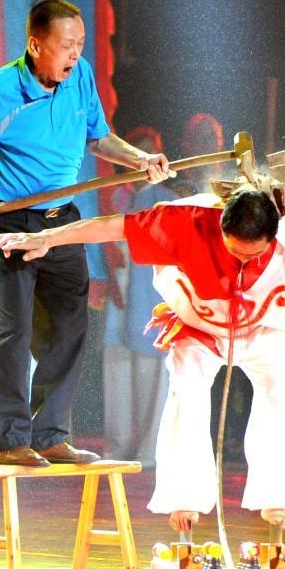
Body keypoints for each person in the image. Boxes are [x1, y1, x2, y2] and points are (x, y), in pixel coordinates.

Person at [0, 187, 285, 531]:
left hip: (264, 329)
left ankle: (277, 497)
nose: (240, 264)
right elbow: (112, 226)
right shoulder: (187, 220)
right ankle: (184, 498)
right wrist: (48, 239)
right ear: (220, 227)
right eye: (233, 252)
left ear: (272, 236)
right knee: (186, 390)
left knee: (281, 388)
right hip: (198, 327)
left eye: (251, 255)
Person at [0, 0, 172, 468]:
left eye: (79, 44)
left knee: (70, 324)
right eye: (65, 46)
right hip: (7, 218)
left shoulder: (78, 76)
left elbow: (99, 137)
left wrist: (138, 161)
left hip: (62, 218)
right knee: (13, 325)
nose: (75, 55)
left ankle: (50, 433)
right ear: (36, 45)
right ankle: (8, 438)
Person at [102, 126, 176, 464]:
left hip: (150, 298)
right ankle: (118, 445)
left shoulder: (169, 201)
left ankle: (151, 447)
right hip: (120, 294)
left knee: (151, 370)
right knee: (118, 368)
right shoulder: (115, 196)